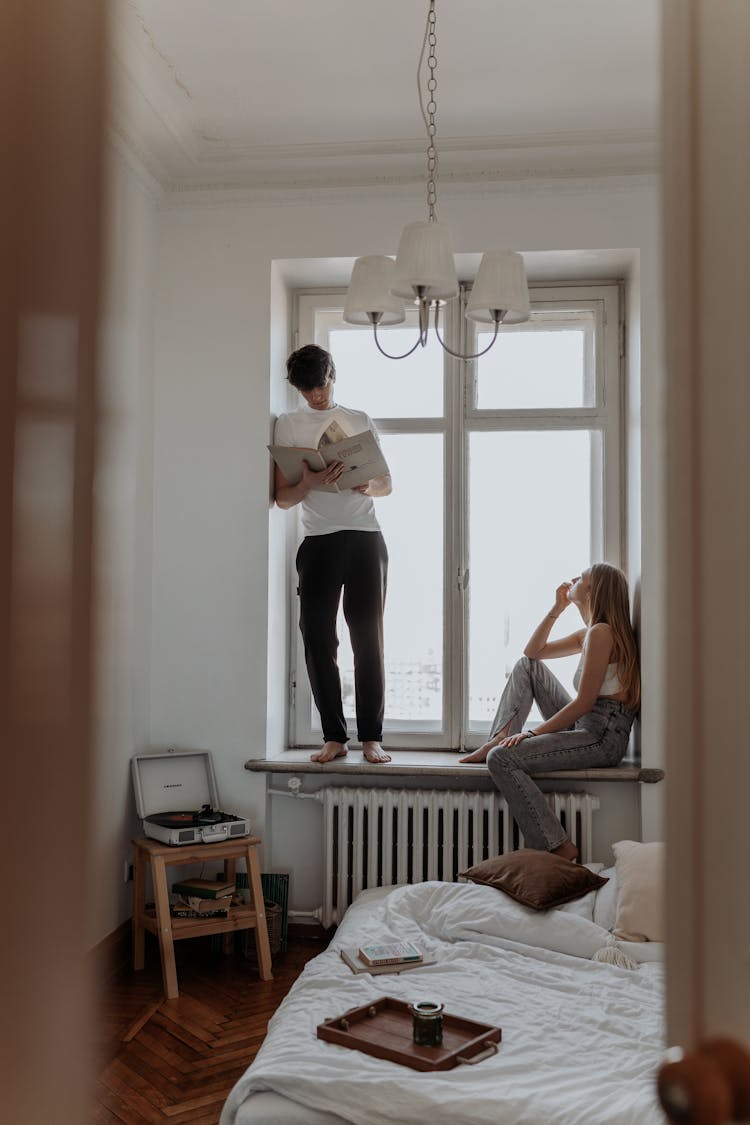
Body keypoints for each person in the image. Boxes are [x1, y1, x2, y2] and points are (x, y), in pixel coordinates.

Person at [459, 563, 640, 861]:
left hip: (602, 736)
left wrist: (532, 733)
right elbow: (533, 653)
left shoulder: (602, 634)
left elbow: (583, 702)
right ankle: (500, 735)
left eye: (580, 579)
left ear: (593, 590)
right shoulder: (591, 632)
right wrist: (558, 607)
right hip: (589, 724)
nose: (572, 580)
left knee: (501, 759)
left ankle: (557, 845)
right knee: (526, 667)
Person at [273, 344, 392, 765]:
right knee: (317, 637)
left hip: (364, 537)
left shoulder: (358, 419)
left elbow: (386, 484)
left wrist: (366, 485)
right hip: (318, 540)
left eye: (319, 388)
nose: (315, 397)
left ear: (332, 376)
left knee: (367, 639)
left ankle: (371, 738)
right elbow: (283, 499)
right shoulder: (287, 425)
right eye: (306, 392)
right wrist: (309, 481)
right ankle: (334, 736)